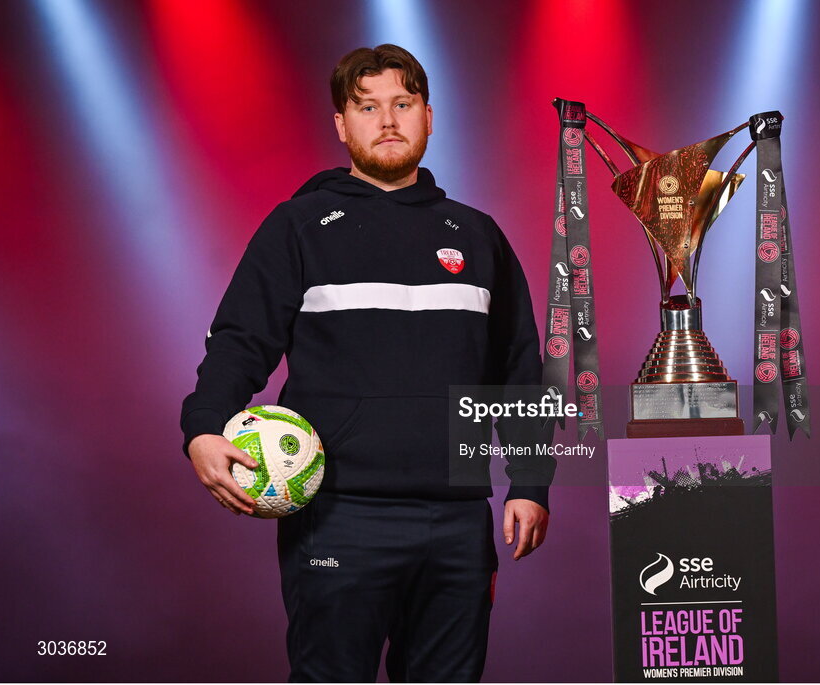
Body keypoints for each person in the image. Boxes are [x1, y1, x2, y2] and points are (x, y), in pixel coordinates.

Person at [180, 44, 555, 682]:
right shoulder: (299, 226)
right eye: (368, 106)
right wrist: (203, 427)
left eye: (403, 104)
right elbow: (240, 341)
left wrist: (530, 483)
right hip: (337, 516)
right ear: (341, 125)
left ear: (429, 118)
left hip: (458, 519)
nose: (387, 120)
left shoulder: (478, 234)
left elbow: (518, 370)